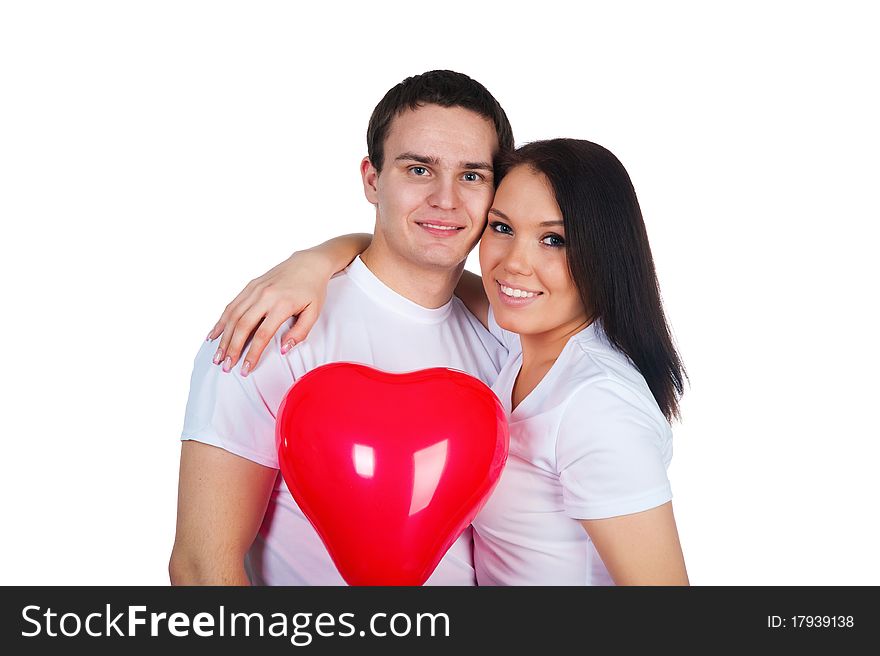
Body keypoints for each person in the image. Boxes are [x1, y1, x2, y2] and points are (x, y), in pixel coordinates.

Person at [208, 138, 690, 585]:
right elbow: (413, 264)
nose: (514, 263)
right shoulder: (518, 339)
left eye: (553, 240)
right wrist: (313, 260)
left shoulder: (597, 405)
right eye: (502, 228)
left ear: (605, 253)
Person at [169, 69, 515, 585]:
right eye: (419, 169)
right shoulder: (271, 328)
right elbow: (201, 568)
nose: (446, 199)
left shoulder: (506, 335)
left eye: (471, 175)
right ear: (373, 180)